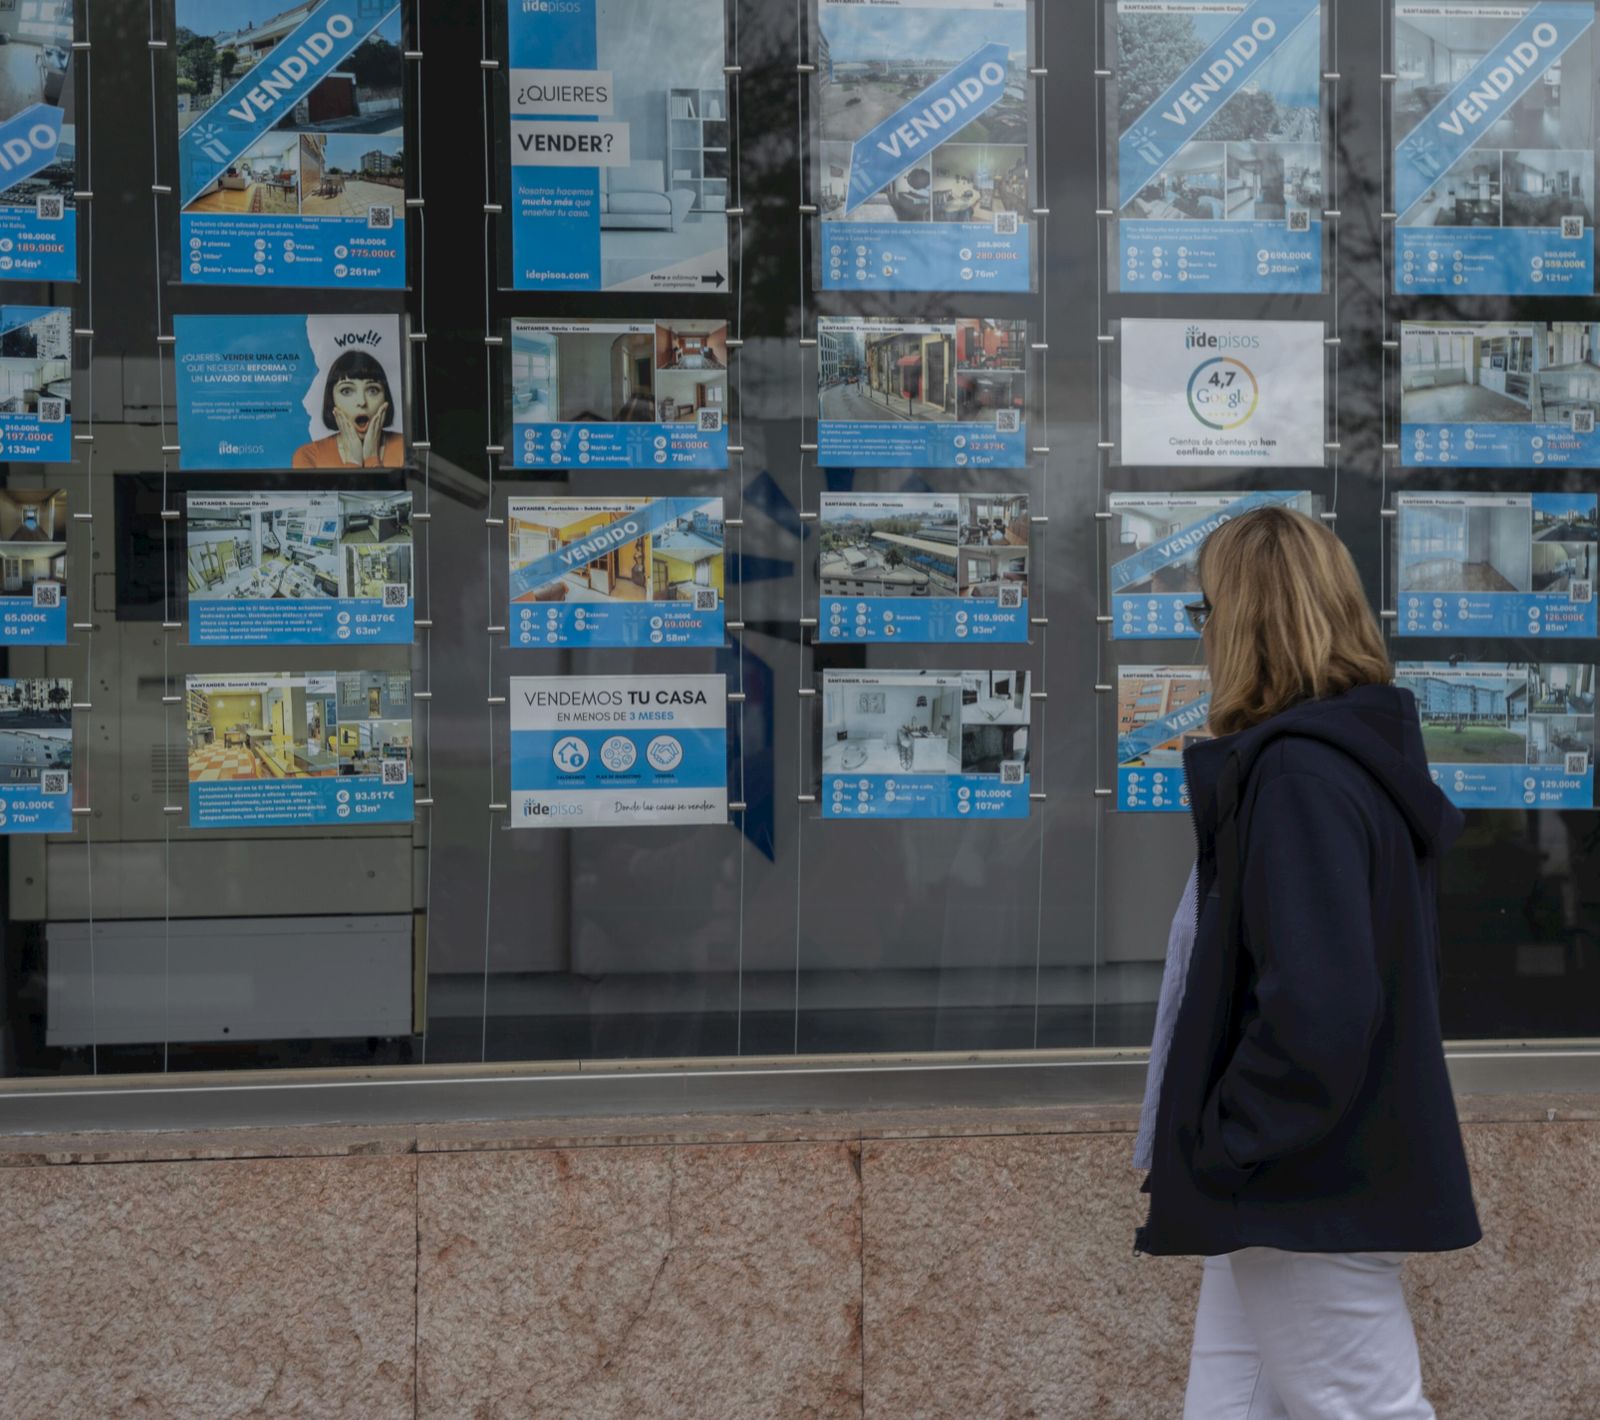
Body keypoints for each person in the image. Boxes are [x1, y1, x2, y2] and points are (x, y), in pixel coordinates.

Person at [1132, 506, 1480, 1419]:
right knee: (1229, 1407)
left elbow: (1321, 1006)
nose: (1199, 635)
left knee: (1365, 1408)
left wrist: (1228, 1141)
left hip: (1303, 1183)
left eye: (1204, 612)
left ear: (1246, 624)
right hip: (1296, 1181)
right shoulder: (1336, 764)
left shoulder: (1301, 778)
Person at [292, 350, 404, 469]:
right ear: (332, 400)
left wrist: (371, 458)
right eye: (347, 391)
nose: (362, 402)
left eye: (372, 390)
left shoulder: (405, 448)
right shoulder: (308, 456)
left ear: (385, 399)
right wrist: (354, 462)